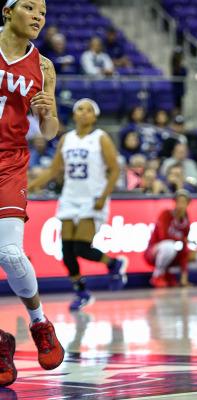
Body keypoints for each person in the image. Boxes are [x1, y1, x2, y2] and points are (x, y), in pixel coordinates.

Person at [0, 0, 65, 386]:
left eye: (42, 10)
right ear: (7, 11)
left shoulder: (43, 66)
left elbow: (49, 131)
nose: (39, 15)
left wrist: (49, 111)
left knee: (8, 251)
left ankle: (40, 324)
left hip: (9, 161)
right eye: (29, 6)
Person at [28, 98, 128, 311]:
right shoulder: (66, 139)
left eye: (89, 110)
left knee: (81, 247)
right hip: (70, 198)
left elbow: (115, 169)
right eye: (80, 109)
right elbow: (54, 169)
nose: (84, 113)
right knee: (67, 251)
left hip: (92, 199)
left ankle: (113, 263)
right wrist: (30, 186)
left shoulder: (101, 138)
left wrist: (104, 196)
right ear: (74, 115)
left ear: (95, 116)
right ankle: (82, 292)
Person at [145, 189, 197, 287]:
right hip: (155, 252)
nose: (181, 205)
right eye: (178, 202)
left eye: (184, 202)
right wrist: (183, 241)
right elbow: (164, 237)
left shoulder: (186, 221)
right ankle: (157, 275)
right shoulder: (166, 214)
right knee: (169, 247)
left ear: (188, 204)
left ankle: (171, 274)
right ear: (174, 202)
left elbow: (183, 247)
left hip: (175, 252)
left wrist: (184, 276)